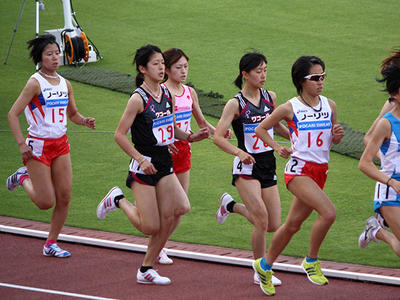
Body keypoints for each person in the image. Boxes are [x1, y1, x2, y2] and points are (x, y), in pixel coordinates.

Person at [96, 44, 209, 285]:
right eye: (156, 64)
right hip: (143, 168)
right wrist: (140, 159)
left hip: (164, 163)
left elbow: (170, 127)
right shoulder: (138, 99)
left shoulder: (166, 94)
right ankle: (117, 200)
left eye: (161, 63)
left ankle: (146, 268)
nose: (161, 68)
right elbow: (119, 135)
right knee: (150, 226)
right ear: (142, 68)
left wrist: (189, 136)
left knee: (180, 208)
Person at [253, 56, 344, 296]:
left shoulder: (330, 105)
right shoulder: (289, 108)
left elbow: (332, 140)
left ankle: (264, 266)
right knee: (329, 212)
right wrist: (277, 147)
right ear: (301, 81)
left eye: (323, 76)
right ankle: (311, 261)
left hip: (320, 171)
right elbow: (261, 128)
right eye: (315, 78)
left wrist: (337, 135)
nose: (320, 82)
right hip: (299, 170)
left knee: (292, 225)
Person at [6, 34, 96, 257]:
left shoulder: (66, 84)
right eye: (49, 54)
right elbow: (12, 114)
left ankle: (51, 243)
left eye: (57, 53)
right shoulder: (35, 83)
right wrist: (20, 144)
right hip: (37, 147)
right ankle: (22, 177)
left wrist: (84, 121)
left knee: (64, 197)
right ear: (40, 58)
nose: (55, 58)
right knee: (45, 202)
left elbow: (72, 114)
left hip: (61, 145)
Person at [213, 52, 290, 288]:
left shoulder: (270, 98)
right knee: (261, 220)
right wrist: (239, 152)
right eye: (258, 71)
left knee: (274, 224)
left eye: (265, 69)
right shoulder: (235, 104)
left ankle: (231, 206)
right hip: (246, 166)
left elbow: (275, 126)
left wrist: (296, 139)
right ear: (245, 74)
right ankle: (261, 270)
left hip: (268, 164)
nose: (263, 75)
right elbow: (218, 137)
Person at [157, 48, 232, 264]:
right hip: (166, 150)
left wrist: (218, 131)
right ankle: (156, 246)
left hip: (184, 152)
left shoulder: (189, 92)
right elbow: (166, 124)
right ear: (168, 69)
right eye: (178, 67)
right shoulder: (161, 92)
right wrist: (188, 136)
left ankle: (160, 245)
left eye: (186, 67)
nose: (183, 71)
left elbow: (200, 121)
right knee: (163, 208)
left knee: (180, 208)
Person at [358, 48, 400, 257]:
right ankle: (380, 231)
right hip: (391, 188)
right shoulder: (388, 120)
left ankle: (375, 229)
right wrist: (390, 171)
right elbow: (366, 153)